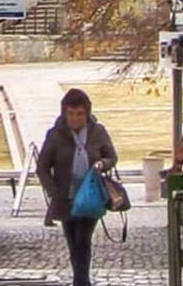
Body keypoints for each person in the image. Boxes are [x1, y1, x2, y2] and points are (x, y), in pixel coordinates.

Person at [36, 88, 118, 286]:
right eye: (71, 114)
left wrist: (102, 164)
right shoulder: (55, 135)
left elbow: (112, 157)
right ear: (64, 113)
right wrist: (54, 192)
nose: (75, 119)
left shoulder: (97, 132)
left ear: (87, 113)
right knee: (73, 242)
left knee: (83, 239)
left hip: (90, 195)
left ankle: (81, 281)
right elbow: (42, 167)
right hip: (66, 198)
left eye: (79, 114)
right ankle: (80, 279)